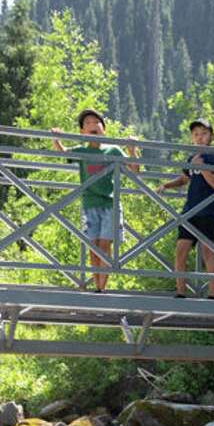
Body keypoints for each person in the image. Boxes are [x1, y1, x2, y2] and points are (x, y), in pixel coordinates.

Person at [56, 109, 139, 293]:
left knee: (104, 245)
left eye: (96, 122)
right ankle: (97, 285)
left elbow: (134, 169)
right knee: (92, 247)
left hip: (110, 204)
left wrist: (132, 150)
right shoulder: (82, 150)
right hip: (89, 205)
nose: (92, 125)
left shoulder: (113, 150)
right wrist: (57, 139)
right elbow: (63, 154)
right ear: (82, 132)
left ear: (104, 129)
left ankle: (101, 287)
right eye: (87, 124)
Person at [161, 119, 214, 298]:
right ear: (192, 138)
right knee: (180, 250)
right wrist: (166, 185)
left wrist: (201, 167)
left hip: (208, 211)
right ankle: (180, 291)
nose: (200, 138)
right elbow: (184, 179)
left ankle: (213, 293)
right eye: (196, 134)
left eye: (204, 133)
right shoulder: (192, 158)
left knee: (208, 251)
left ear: (211, 136)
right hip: (189, 212)